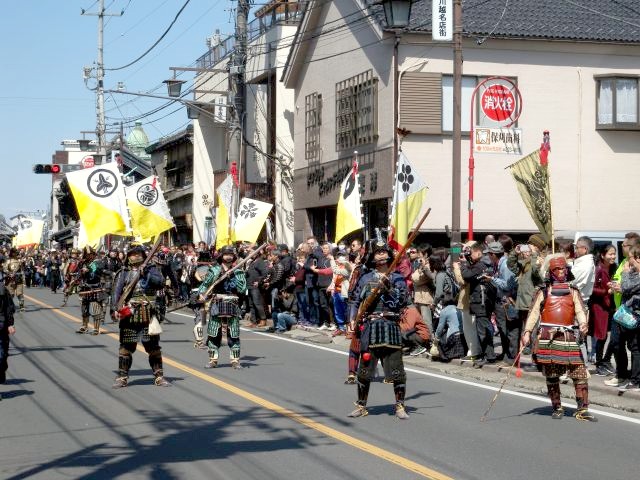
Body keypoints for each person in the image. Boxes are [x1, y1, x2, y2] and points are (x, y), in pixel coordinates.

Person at [521, 254, 596, 421]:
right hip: (548, 337)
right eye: (557, 269)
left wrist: (583, 324)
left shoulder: (573, 291)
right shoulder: (543, 292)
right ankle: (557, 406)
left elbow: (580, 311)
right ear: (551, 271)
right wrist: (527, 332)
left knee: (579, 373)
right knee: (552, 374)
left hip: (568, 336)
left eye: (563, 268)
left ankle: (582, 409)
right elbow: (533, 313)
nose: (561, 271)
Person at [348, 241, 411, 420]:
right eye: (378, 252)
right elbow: (353, 300)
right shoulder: (365, 277)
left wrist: (389, 288)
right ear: (372, 256)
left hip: (391, 325)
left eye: (384, 252)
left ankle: (400, 406)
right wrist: (352, 319)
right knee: (365, 369)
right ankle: (361, 406)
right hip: (370, 326)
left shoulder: (398, 278)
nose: (382, 255)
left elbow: (404, 302)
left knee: (397, 369)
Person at [111, 245, 170, 388]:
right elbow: (116, 292)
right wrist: (114, 308)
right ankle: (122, 377)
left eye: (138, 253)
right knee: (125, 347)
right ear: (128, 256)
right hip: (129, 314)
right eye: (132, 254)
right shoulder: (123, 272)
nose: (135, 256)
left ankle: (159, 376)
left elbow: (161, 284)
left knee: (153, 347)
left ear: (143, 255)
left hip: (148, 312)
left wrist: (146, 274)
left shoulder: (152, 270)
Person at [196, 246, 247, 369]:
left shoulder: (238, 271)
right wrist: (201, 295)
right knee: (214, 333)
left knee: (233, 333)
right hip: (217, 302)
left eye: (231, 254)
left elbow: (243, 289)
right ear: (221, 256)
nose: (228, 256)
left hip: (233, 303)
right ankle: (213, 360)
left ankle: (235, 360)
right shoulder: (214, 270)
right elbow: (205, 285)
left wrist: (235, 276)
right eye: (226, 254)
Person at [590, 244, 616, 376]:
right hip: (600, 307)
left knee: (615, 336)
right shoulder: (598, 269)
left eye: (614, 254)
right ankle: (599, 363)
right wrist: (607, 291)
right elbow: (592, 289)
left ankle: (606, 360)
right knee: (602, 336)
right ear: (602, 255)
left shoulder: (614, 267)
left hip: (612, 306)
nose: (613, 256)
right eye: (610, 254)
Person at [616, 244, 640, 391]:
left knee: (636, 347)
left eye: (630, 258)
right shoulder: (634, 272)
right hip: (631, 313)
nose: (628, 262)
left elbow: (626, 287)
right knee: (633, 346)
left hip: (636, 314)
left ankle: (636, 380)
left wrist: (625, 274)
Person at [76, 246, 106, 335]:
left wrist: (88, 270)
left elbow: (97, 271)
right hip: (85, 287)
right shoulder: (82, 263)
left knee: (96, 308)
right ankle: (84, 326)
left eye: (90, 254)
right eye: (87, 254)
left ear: (93, 254)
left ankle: (96, 328)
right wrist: (81, 273)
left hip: (95, 287)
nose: (89, 256)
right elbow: (78, 273)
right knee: (84, 309)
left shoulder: (98, 262)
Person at [0, 268, 16, 393]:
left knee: (2, 357)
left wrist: (10, 324)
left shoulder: (2, 290)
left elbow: (9, 308)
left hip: (1, 327)